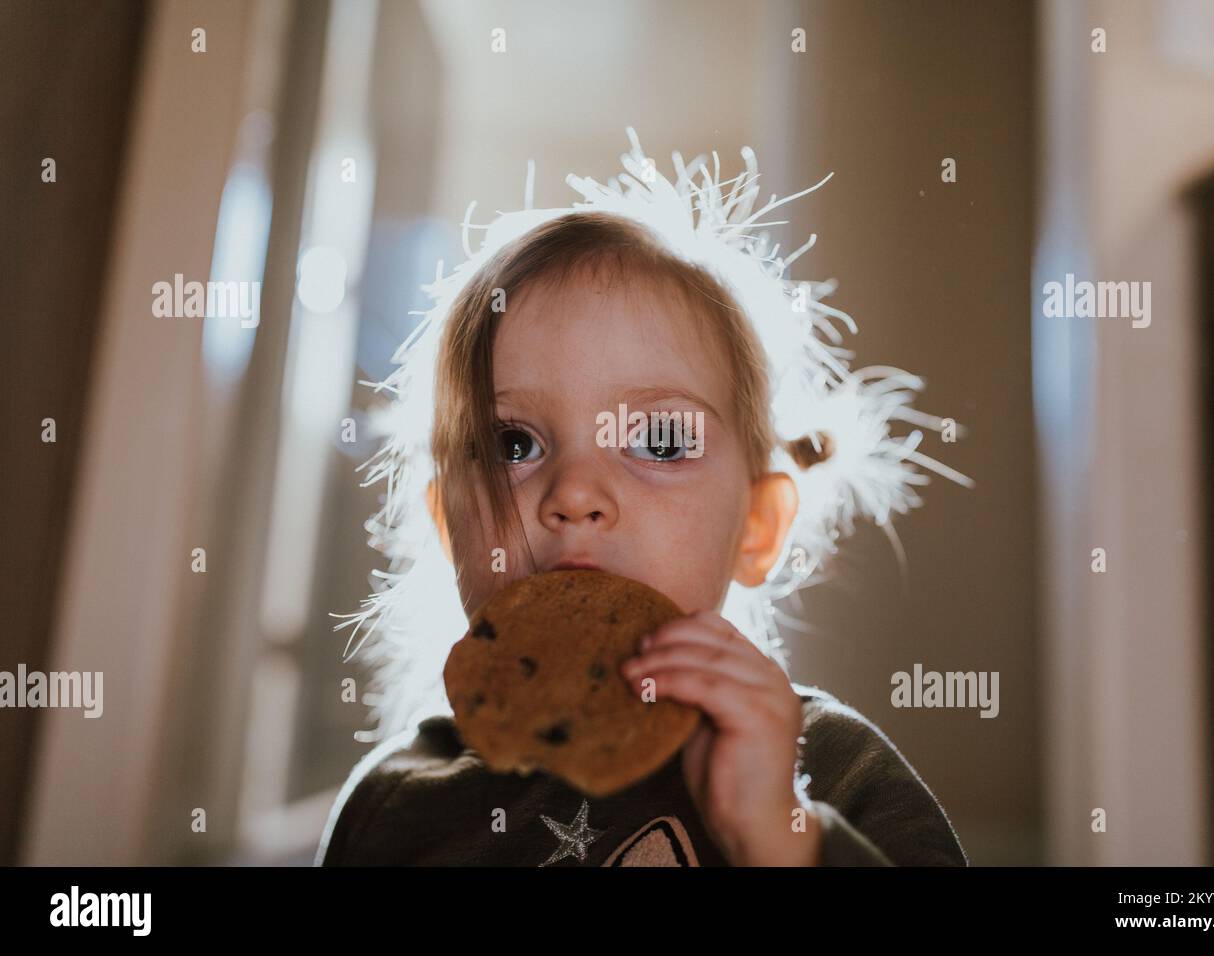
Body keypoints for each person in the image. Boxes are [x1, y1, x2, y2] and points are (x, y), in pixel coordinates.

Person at [316, 133, 969, 866]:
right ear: (449, 527)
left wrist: (783, 840)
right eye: (512, 445)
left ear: (756, 527)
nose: (575, 494)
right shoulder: (393, 811)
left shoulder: (828, 772)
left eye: (660, 441)